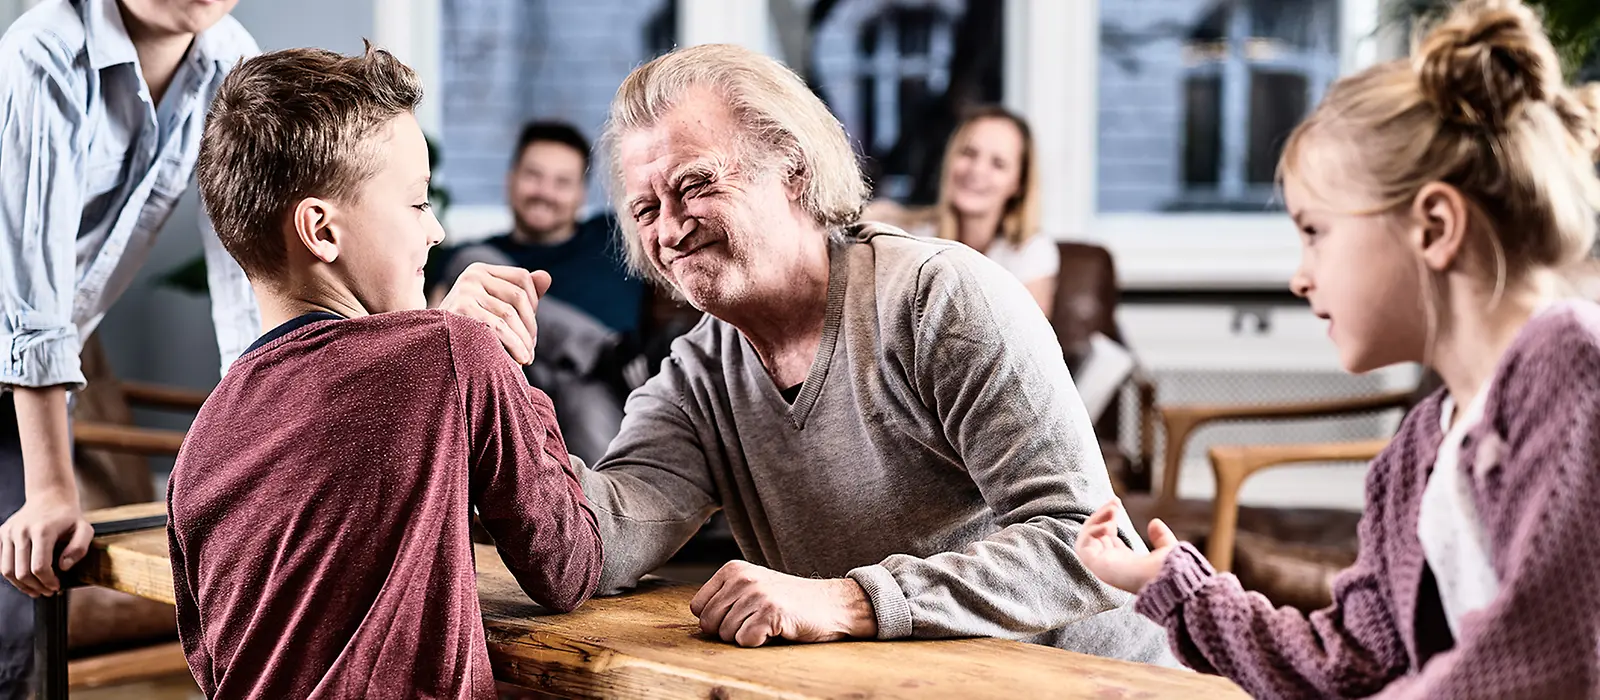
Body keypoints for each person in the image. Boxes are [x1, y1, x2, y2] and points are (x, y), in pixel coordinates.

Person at [441, 43, 1176, 664]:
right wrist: (474, 365)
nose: (668, 229)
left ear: (792, 168)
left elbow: (1080, 547)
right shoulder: (700, 377)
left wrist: (849, 601)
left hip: (1091, 679)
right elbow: (583, 549)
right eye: (644, 210)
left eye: (696, 185)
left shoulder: (940, 298)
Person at [1074, 1, 1600, 697]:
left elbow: (1550, 661)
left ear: (1434, 225)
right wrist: (1177, 587)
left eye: (1316, 231)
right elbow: (1349, 662)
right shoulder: (1418, 451)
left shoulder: (1570, 368)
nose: (1300, 275)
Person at [167, 46, 602, 699]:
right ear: (321, 230)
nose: (435, 231)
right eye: (418, 204)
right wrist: (503, 365)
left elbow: (218, 664)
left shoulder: (199, 450)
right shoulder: (455, 355)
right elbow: (568, 564)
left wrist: (442, 342)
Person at [0, 0, 261, 695]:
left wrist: (263, 457)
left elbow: (243, 284)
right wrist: (54, 489)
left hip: (23, 385)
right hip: (27, 358)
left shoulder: (229, 57)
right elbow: (34, 298)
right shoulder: (44, 52)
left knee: (23, 632)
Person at [430, 121, 650, 465]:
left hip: (603, 395)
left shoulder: (612, 236)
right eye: (534, 175)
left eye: (562, 182)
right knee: (469, 261)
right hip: (520, 390)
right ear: (511, 180)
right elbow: (432, 330)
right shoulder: (485, 254)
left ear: (581, 193)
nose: (545, 191)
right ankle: (603, 350)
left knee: (581, 391)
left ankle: (601, 513)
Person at [864, 106, 1057, 315]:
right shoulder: (911, 235)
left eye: (998, 164)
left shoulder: (1031, 250)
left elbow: (1027, 342)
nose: (977, 170)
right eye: (968, 153)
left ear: (1019, 183)